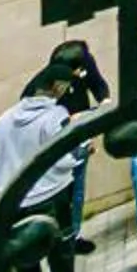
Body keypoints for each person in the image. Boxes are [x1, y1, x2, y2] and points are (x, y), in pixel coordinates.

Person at [0, 67, 87, 272]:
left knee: (25, 252)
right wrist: (82, 150)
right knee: (60, 249)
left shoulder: (3, 121)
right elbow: (64, 158)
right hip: (52, 195)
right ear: (58, 88)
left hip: (13, 200)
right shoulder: (55, 116)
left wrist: (4, 188)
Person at [32, 39, 110, 238]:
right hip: (58, 142)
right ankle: (60, 237)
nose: (80, 73)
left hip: (79, 135)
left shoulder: (84, 62)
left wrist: (104, 100)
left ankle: (73, 235)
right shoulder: (42, 87)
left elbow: (97, 84)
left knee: (77, 190)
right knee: (62, 193)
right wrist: (66, 120)